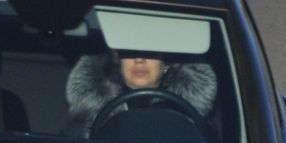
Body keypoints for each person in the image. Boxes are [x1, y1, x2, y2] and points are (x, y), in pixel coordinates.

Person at [64, 50, 217, 138]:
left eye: (149, 52)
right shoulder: (83, 123)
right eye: (129, 52)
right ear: (117, 59)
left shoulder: (194, 125)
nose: (139, 60)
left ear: (165, 62)